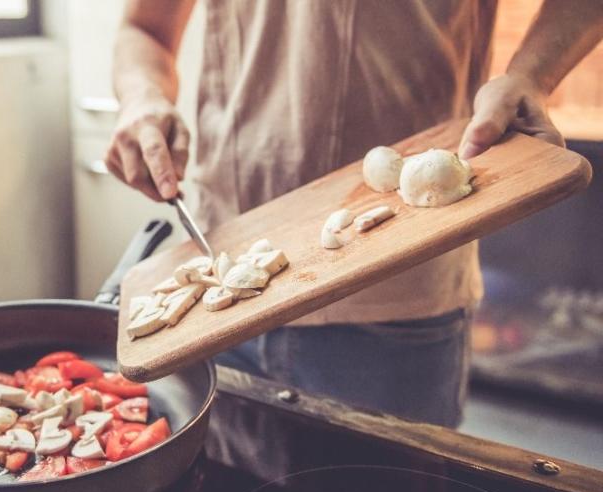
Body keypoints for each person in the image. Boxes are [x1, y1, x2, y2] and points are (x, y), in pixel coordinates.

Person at [106, 0, 603, 427]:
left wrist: (530, 76)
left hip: (398, 297)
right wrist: (141, 98)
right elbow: (143, 29)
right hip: (225, 272)